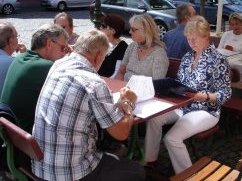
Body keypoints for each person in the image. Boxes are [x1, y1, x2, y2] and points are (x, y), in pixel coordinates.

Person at [32, 30, 145, 181]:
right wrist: (128, 102)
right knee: (137, 172)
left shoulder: (58, 65)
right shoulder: (94, 83)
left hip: (41, 167)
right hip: (71, 173)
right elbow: (121, 133)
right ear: (99, 56)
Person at [144, 15, 231, 174]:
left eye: (194, 39)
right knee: (154, 118)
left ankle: (187, 176)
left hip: (206, 110)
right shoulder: (187, 57)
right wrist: (171, 88)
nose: (191, 43)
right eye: (188, 39)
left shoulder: (218, 60)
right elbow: (180, 82)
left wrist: (203, 96)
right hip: (183, 105)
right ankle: (149, 160)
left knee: (172, 138)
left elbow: (225, 94)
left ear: (206, 36)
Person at [0, 24, 68, 133]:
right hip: (28, 138)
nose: (64, 53)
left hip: (12, 134)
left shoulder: (20, 58)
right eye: (63, 48)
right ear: (49, 44)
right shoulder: (46, 66)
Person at [115, 14, 169, 81]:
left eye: (133, 29)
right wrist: (117, 85)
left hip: (143, 90)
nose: (130, 32)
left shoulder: (159, 53)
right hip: (124, 87)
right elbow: (121, 71)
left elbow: (157, 83)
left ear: (146, 31)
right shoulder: (132, 46)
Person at [0, 22, 26, 94]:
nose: (18, 39)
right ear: (11, 41)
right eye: (16, 36)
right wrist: (24, 55)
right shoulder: (14, 63)